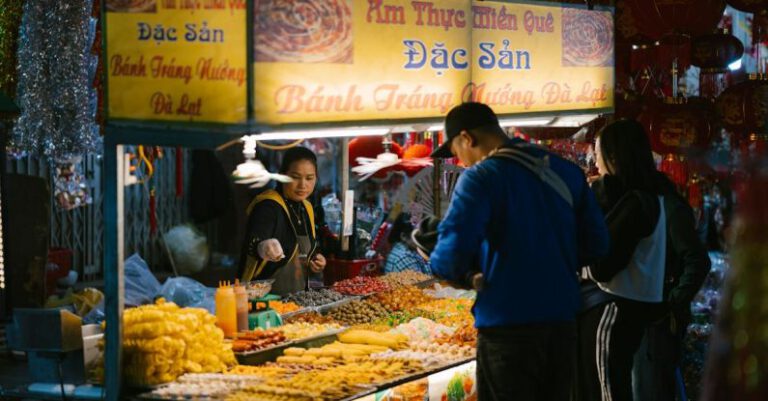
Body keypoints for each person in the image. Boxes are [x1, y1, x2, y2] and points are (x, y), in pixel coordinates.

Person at [428, 102, 610, 401]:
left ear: (467, 138)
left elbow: (448, 259)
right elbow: (597, 244)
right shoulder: (565, 171)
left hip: (507, 326)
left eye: (457, 152)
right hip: (562, 323)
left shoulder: (481, 177)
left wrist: (446, 258)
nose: (460, 161)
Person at [578, 119, 710, 401]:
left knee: (626, 388)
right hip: (640, 308)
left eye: (598, 152)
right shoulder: (644, 196)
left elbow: (603, 264)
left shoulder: (648, 201)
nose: (595, 161)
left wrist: (672, 301)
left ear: (615, 156)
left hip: (632, 309)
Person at [238, 147, 327, 296]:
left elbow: (303, 250)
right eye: (295, 177)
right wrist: (263, 247)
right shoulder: (268, 205)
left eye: (309, 178)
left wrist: (315, 260)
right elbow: (254, 242)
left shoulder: (306, 207)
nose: (303, 185)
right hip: (263, 299)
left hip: (297, 298)